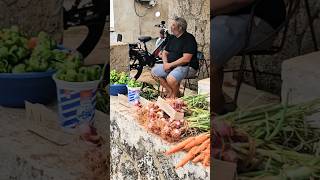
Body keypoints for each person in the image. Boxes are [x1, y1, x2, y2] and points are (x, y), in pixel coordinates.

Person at [211, 0, 286, 114]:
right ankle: (215, 108)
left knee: (204, 49)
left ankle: (215, 114)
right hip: (226, 16)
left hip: (256, 17)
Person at [151, 16, 198, 98]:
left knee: (171, 79)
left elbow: (186, 59)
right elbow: (165, 53)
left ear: (180, 28)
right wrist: (166, 64)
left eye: (173, 25)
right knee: (154, 72)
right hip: (171, 65)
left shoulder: (189, 38)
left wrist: (170, 65)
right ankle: (171, 91)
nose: (171, 27)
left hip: (187, 66)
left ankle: (174, 97)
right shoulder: (172, 38)